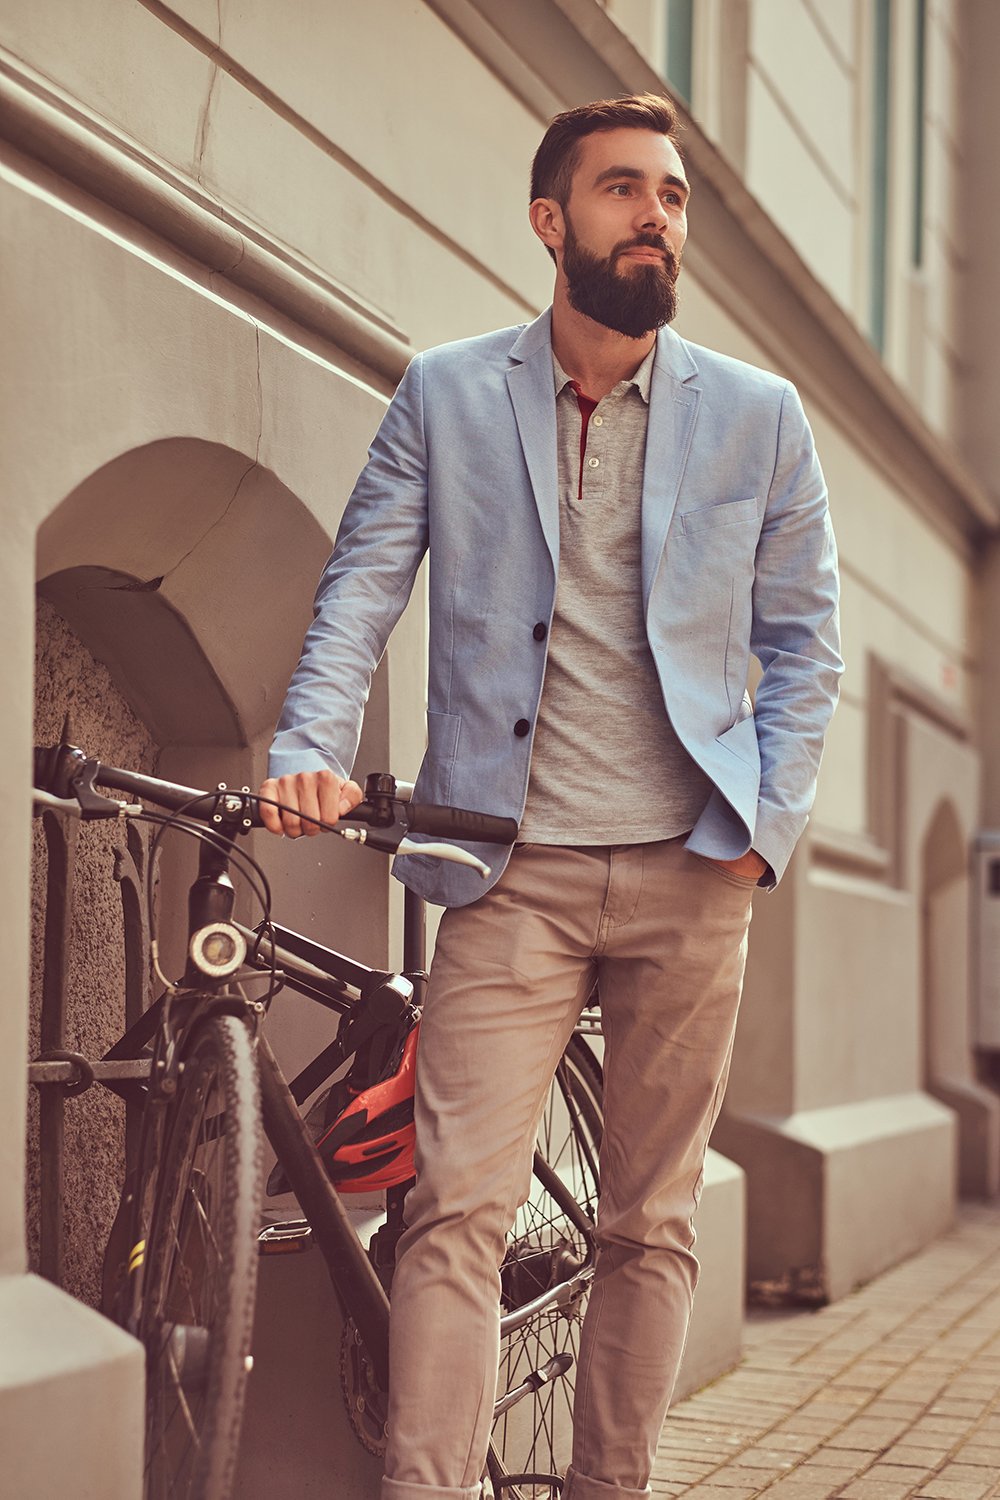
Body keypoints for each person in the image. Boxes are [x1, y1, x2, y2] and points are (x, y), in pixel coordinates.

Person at [260, 92, 841, 1500]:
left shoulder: (758, 419)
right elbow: (361, 590)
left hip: (691, 870)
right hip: (502, 871)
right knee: (453, 1211)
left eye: (674, 195)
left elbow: (804, 647)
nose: (657, 215)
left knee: (649, 1225)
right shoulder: (450, 394)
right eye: (624, 189)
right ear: (550, 219)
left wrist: (759, 838)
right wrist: (302, 747)